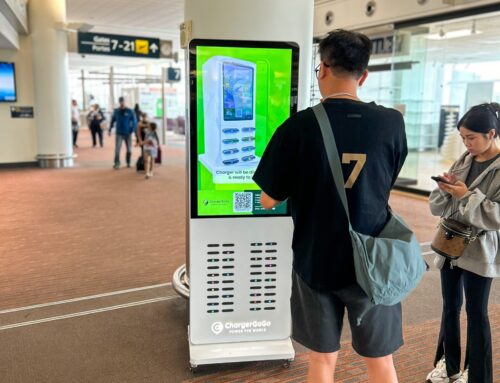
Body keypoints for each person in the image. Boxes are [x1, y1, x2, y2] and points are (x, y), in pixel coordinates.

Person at [253, 29, 408, 383]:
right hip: (373, 260)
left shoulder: (297, 128)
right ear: (364, 75)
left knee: (323, 359)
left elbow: (268, 198)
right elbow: (386, 180)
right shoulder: (392, 123)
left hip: (315, 260)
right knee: (381, 362)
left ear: (321, 69)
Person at [427, 103, 500, 383]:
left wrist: (466, 195)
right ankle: (449, 364)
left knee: (476, 312)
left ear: (491, 133)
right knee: (449, 306)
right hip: (450, 245)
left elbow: (495, 216)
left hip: (480, 250)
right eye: (463, 138)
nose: (467, 144)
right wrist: (445, 189)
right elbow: (437, 206)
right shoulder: (464, 159)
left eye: (472, 138)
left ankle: (477, 374)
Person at [109, 97, 137, 169]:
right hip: (119, 133)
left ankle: (128, 162)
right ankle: (117, 163)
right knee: (117, 149)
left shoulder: (130, 111)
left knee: (129, 150)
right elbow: (112, 120)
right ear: (119, 102)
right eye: (120, 102)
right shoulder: (116, 111)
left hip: (128, 133)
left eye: (123, 101)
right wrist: (110, 129)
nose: (122, 103)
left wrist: (132, 130)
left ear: (125, 102)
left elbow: (134, 122)